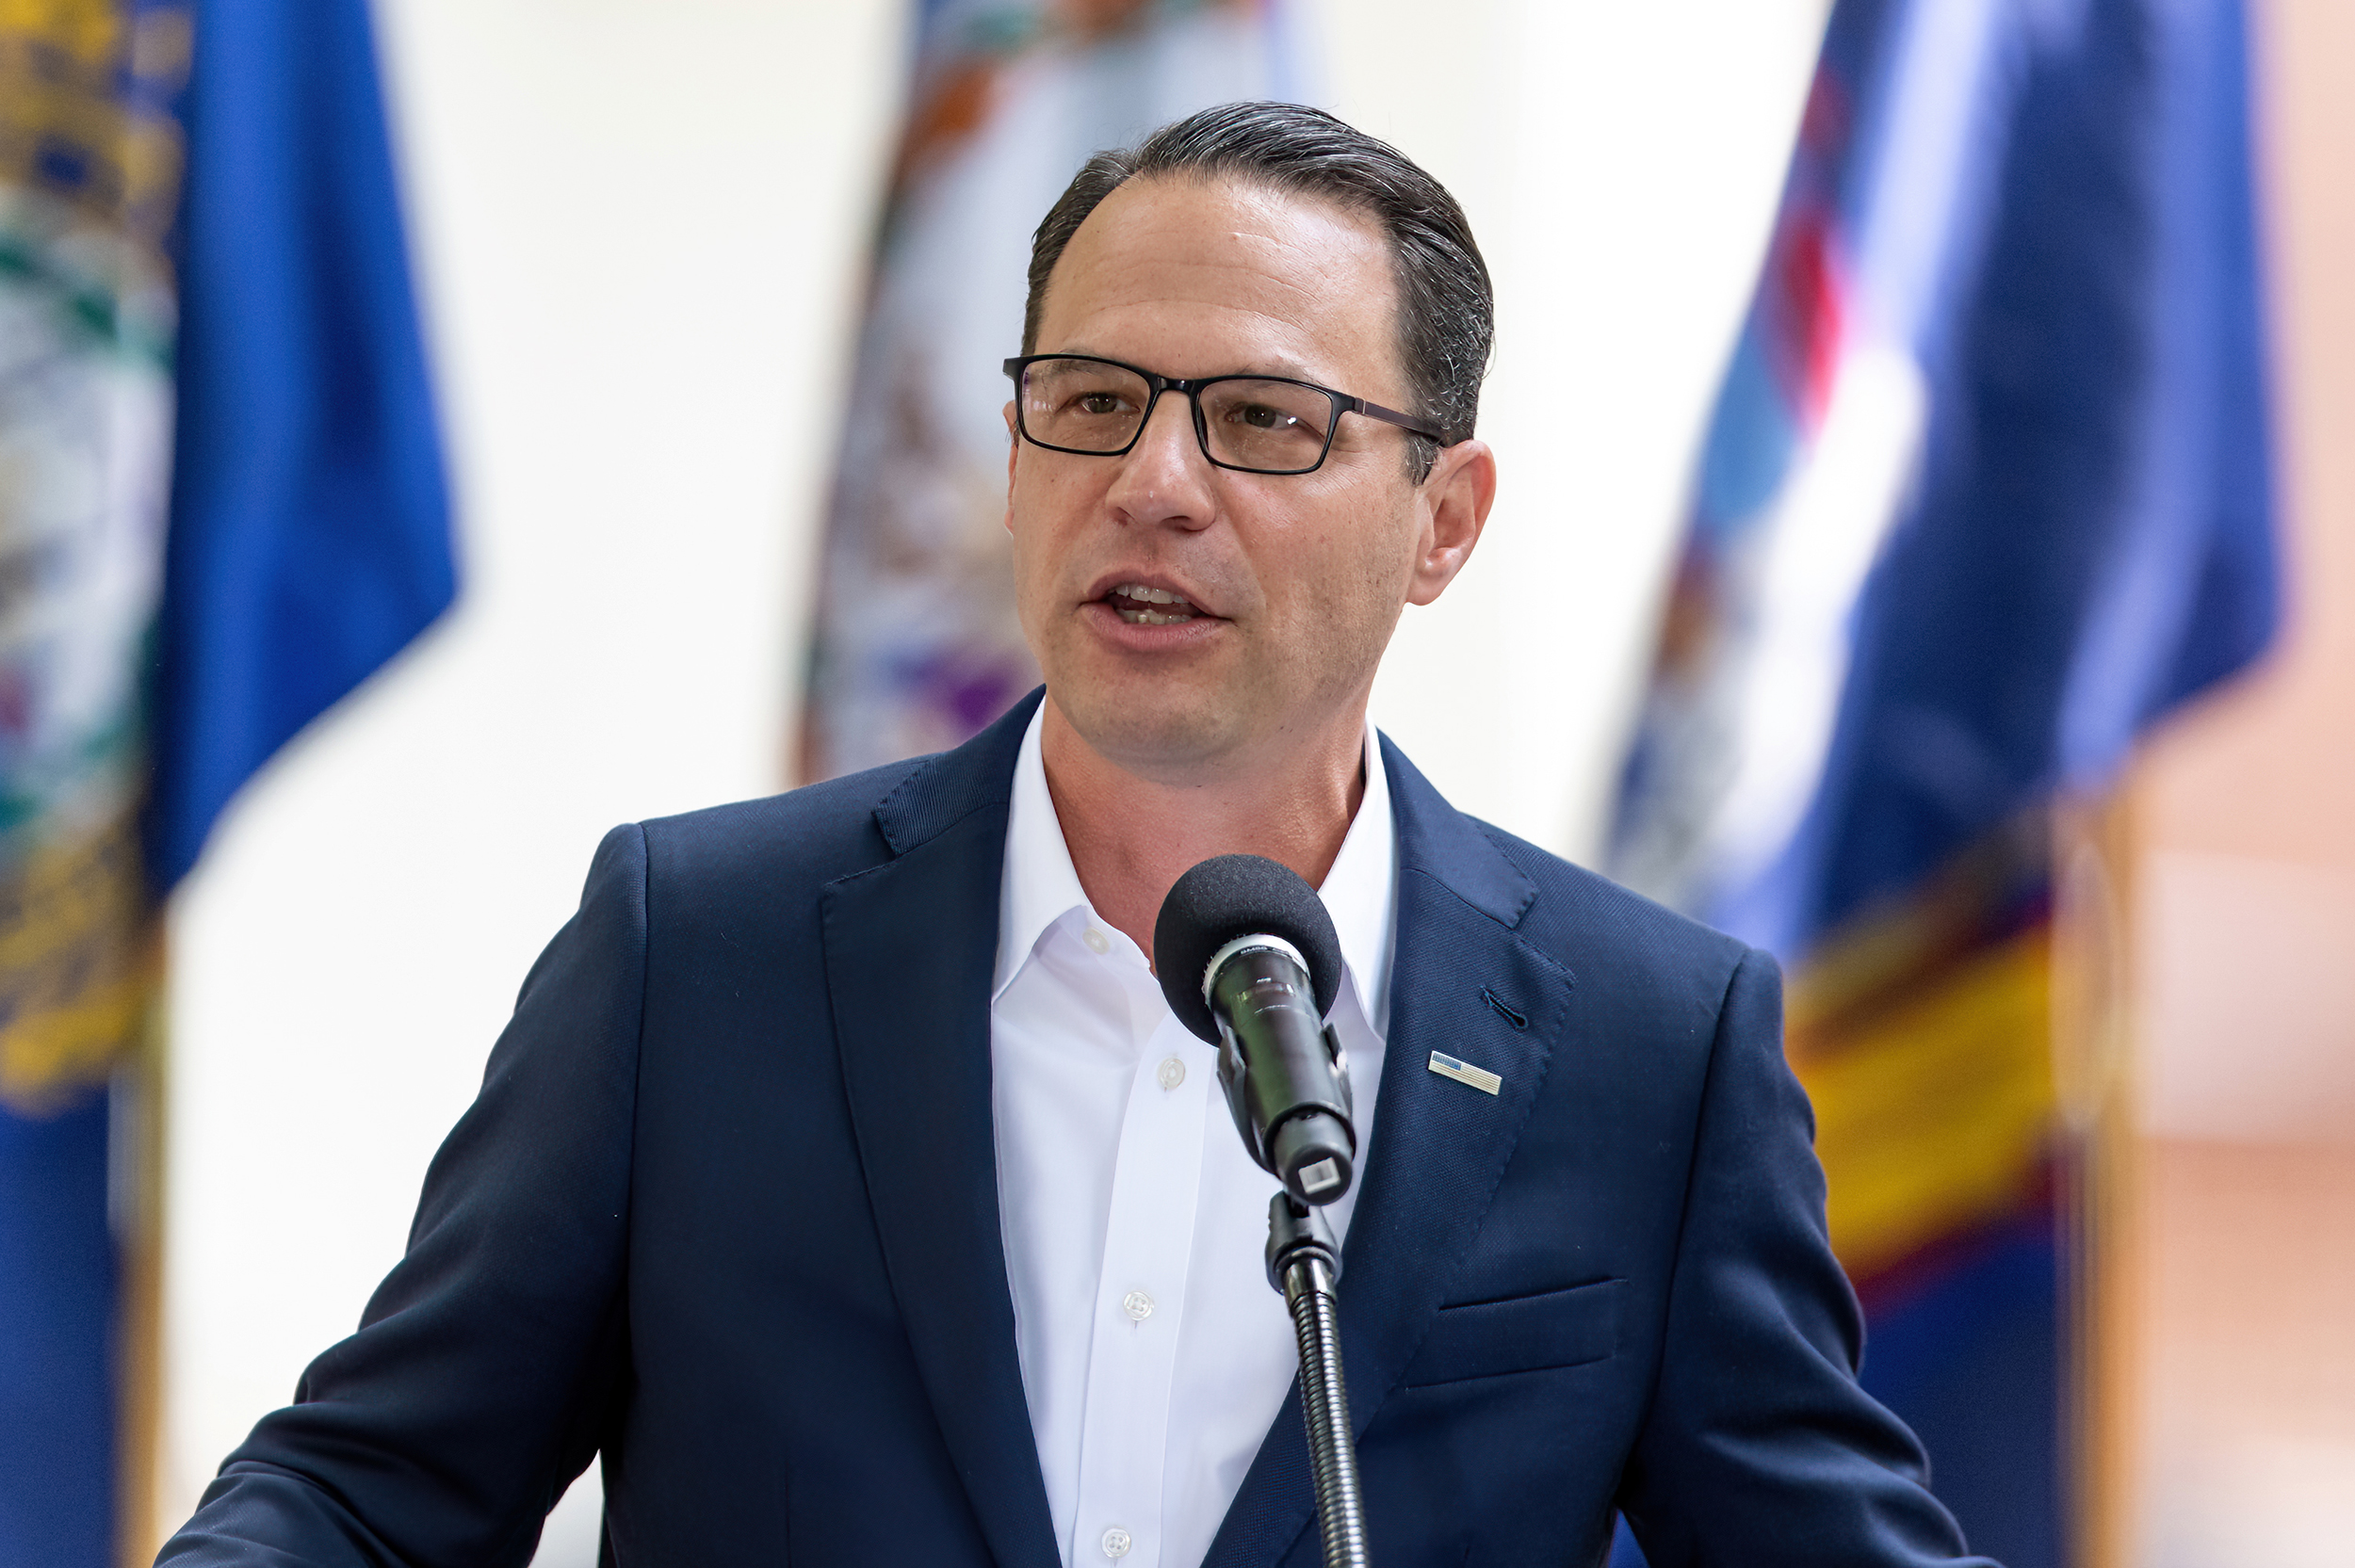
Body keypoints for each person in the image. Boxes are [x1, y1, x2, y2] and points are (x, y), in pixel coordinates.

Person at [160, 103, 1994, 1568]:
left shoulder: (1641, 1050)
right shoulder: (695, 953)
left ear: (1442, 518)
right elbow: (366, 1495)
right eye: (1091, 402)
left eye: (1262, 419)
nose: (1152, 480)